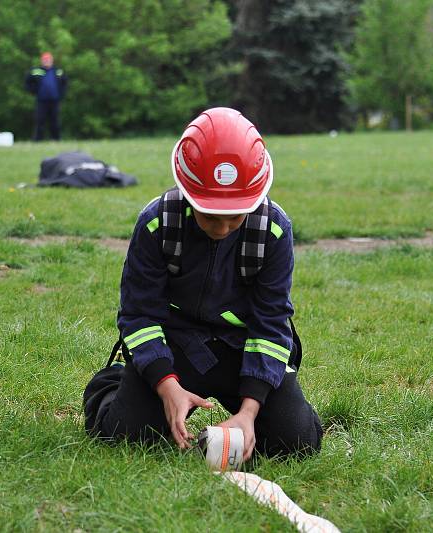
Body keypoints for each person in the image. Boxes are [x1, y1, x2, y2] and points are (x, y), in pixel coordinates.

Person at [83, 107, 322, 460]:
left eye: (235, 216)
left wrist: (249, 411)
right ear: (186, 191)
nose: (223, 228)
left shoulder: (274, 230)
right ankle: (113, 382)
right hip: (176, 347)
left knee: (297, 441)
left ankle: (275, 408)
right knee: (125, 434)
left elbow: (271, 324)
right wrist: (166, 386)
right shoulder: (156, 223)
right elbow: (139, 313)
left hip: (242, 351)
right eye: (210, 215)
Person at [25, 52, 67, 141]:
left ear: (52, 60)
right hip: (42, 100)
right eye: (45, 60)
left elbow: (65, 83)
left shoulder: (58, 71)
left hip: (54, 100)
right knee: (40, 120)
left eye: (48, 60)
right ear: (42, 61)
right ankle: (38, 140)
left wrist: (62, 94)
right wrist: (33, 91)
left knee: (55, 120)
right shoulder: (37, 71)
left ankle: (56, 139)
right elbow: (28, 82)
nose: (47, 61)